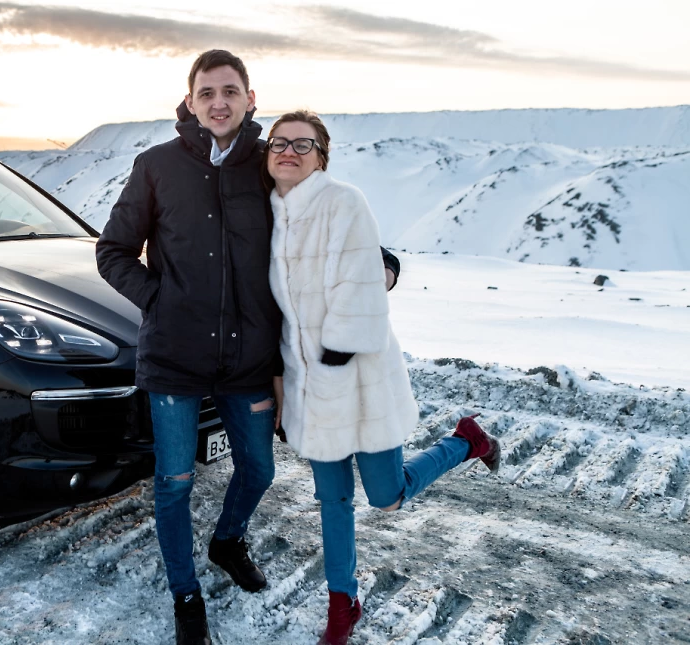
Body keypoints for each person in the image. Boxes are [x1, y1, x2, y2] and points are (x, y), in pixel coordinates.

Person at [97, 50, 399, 645]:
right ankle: (186, 596)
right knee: (174, 482)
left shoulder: (267, 163)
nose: (219, 102)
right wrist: (160, 300)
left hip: (248, 360)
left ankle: (228, 540)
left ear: (250, 99)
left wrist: (377, 262)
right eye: (207, 92)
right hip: (175, 359)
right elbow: (113, 251)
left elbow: (324, 216)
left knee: (258, 469)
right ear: (190, 102)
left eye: (230, 91)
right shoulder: (156, 166)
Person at [264, 111, 500, 645]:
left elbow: (371, 262)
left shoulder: (342, 202)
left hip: (359, 381)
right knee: (333, 502)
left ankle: (466, 441)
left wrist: (377, 279)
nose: (289, 151)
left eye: (303, 144)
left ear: (321, 156)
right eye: (279, 142)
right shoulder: (266, 215)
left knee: (387, 497)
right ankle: (342, 604)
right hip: (307, 385)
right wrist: (280, 382)